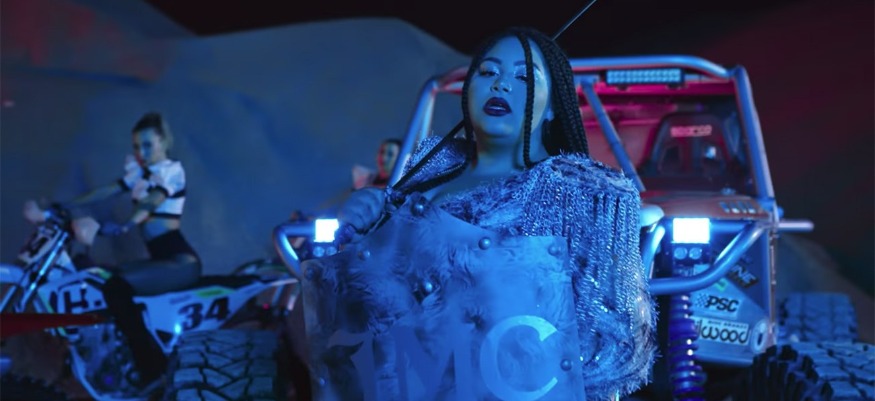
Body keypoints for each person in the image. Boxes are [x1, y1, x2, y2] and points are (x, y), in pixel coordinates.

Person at [337, 27, 656, 399]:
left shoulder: (589, 193)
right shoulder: (425, 179)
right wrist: (362, 229)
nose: (501, 84)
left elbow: (615, 344)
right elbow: (360, 307)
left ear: (554, 105)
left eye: (524, 77)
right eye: (487, 72)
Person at [25, 111, 201, 388]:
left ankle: (153, 369)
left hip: (180, 260)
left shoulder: (170, 172)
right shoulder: (140, 173)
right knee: (98, 278)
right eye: (136, 146)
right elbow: (105, 191)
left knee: (116, 288)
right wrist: (63, 206)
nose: (141, 153)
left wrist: (122, 226)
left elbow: (151, 203)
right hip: (161, 259)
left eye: (148, 145)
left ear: (164, 142)